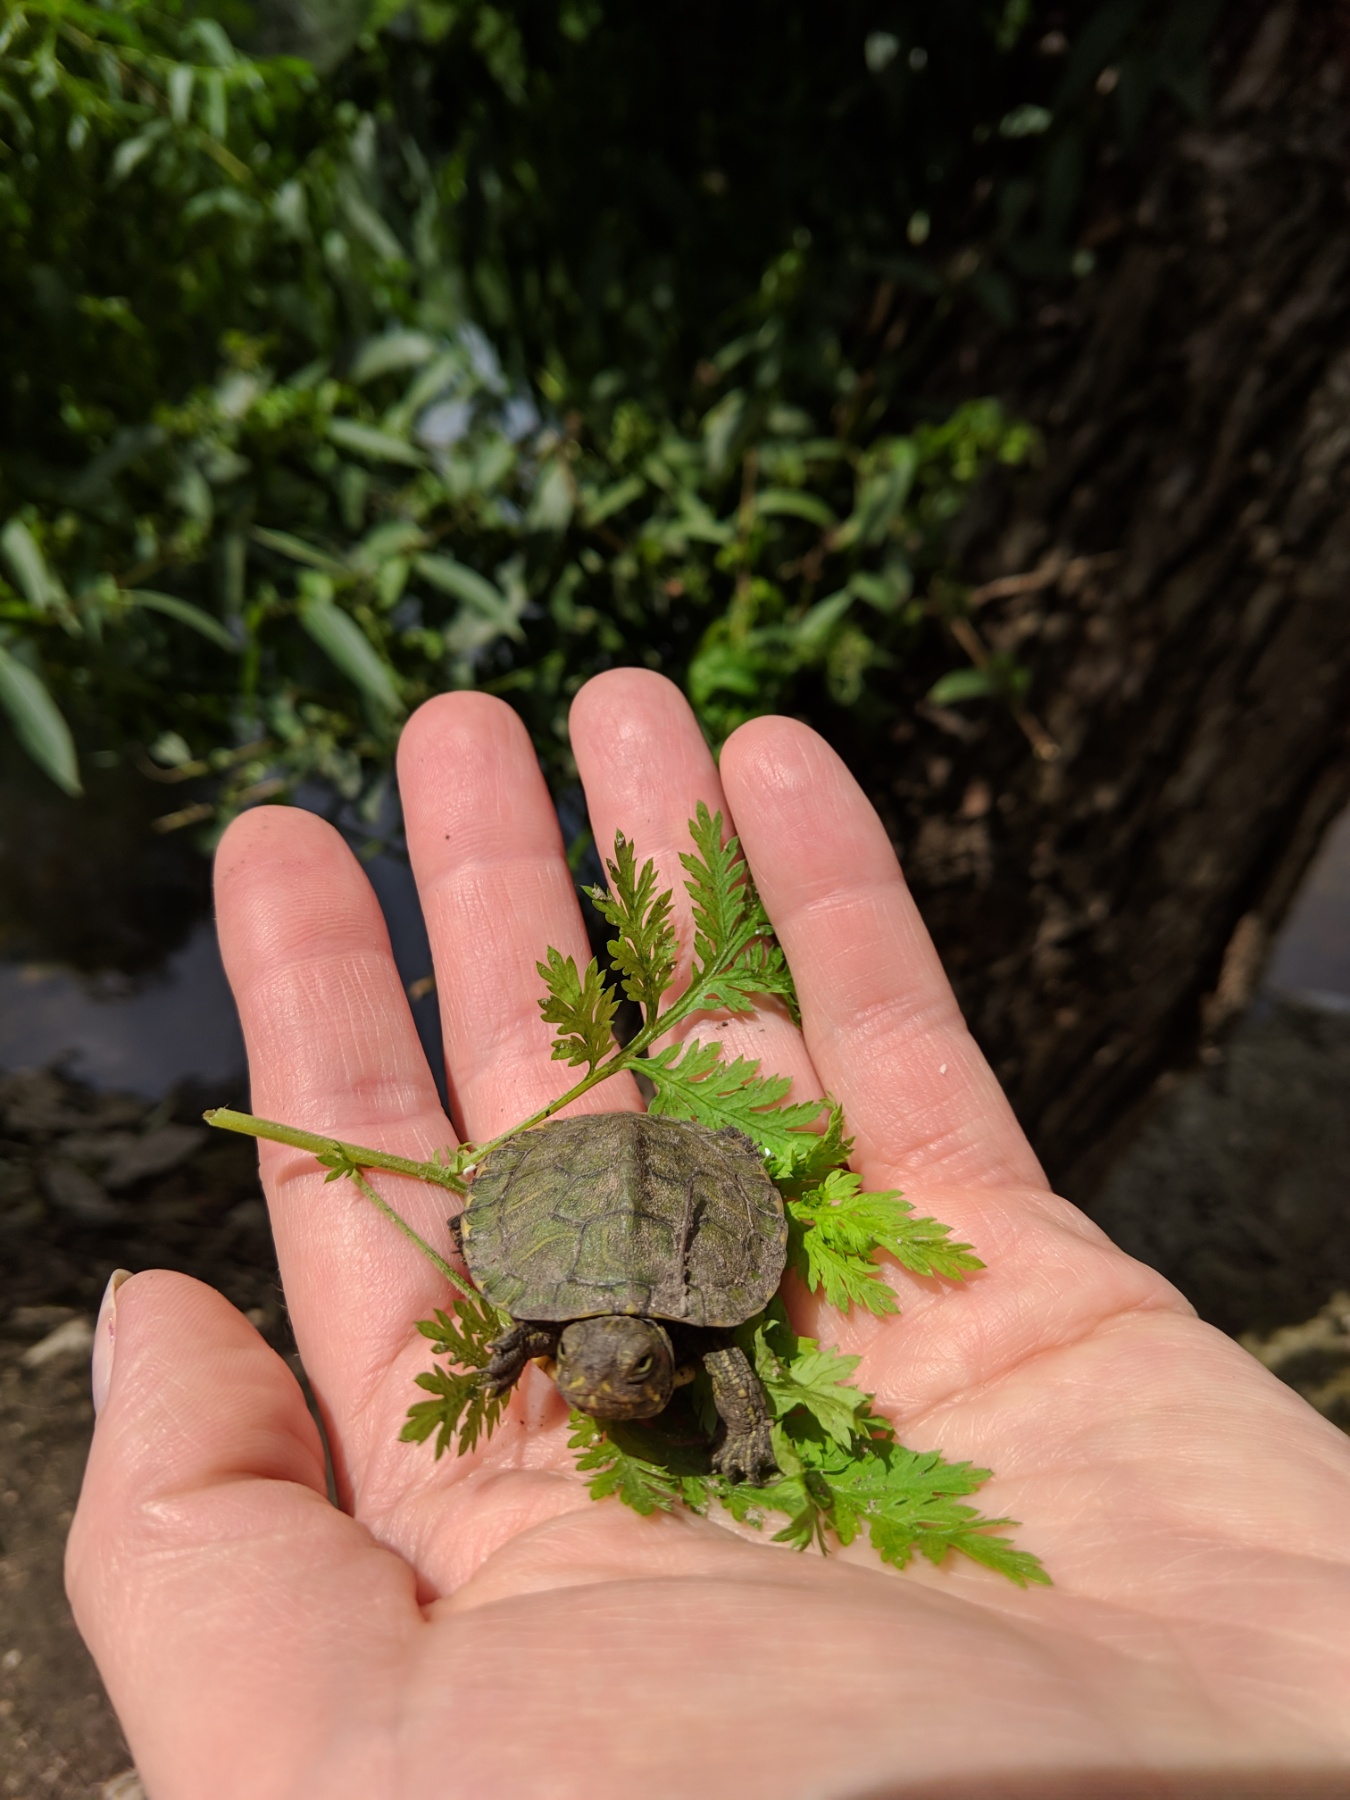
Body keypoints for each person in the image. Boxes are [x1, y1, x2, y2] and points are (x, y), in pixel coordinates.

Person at [67, 672, 1350, 1799]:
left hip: (633, 1198)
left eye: (614, 1373)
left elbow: (719, 1361)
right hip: (597, 1204)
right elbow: (536, 1322)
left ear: (654, 1367)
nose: (605, 1382)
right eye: (596, 1369)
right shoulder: (566, 1335)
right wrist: (513, 1349)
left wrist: (734, 1429)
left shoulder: (687, 1346)